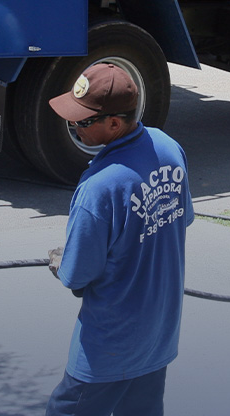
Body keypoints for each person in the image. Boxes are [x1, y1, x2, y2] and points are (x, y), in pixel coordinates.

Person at [44, 63, 194, 416]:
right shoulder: (169, 148)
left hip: (110, 345)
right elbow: (176, 221)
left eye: (81, 122)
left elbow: (77, 276)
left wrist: (63, 260)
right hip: (158, 332)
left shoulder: (98, 189)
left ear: (114, 123)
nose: (72, 126)